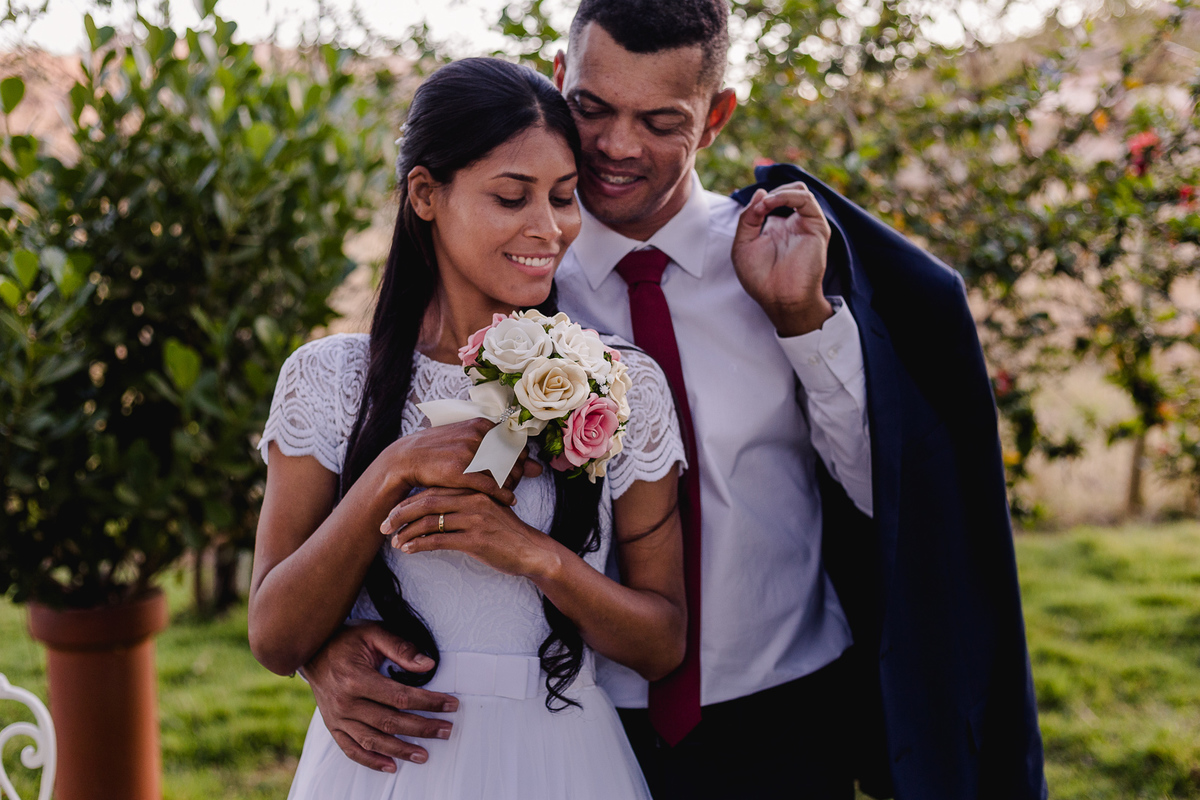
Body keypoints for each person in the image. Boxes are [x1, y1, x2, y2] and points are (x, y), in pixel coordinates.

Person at [299, 1, 1049, 798]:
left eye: (661, 120)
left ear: (716, 116)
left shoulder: (789, 264)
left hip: (784, 715)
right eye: (593, 109)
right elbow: (381, 438)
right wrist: (321, 650)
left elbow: (896, 499)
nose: (619, 147)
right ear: (561, 82)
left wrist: (803, 325)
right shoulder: (510, 268)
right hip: (572, 718)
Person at [248, 57, 693, 799]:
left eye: (563, 196)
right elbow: (273, 636)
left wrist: (534, 555)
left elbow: (661, 644)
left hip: (561, 759)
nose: (547, 228)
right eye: (512, 197)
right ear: (426, 194)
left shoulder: (622, 383)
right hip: (386, 768)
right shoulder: (327, 380)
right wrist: (392, 470)